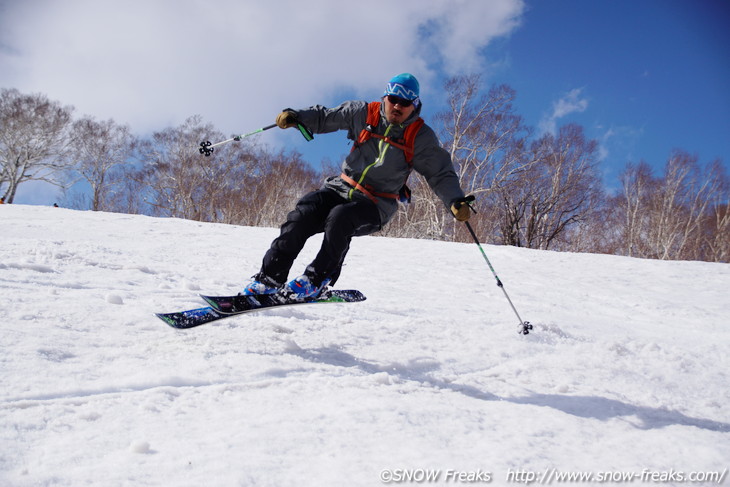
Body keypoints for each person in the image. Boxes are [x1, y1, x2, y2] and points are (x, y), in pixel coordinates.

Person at [243, 73, 472, 298]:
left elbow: (440, 173)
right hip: (340, 188)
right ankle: (269, 279)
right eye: (393, 100)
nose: (397, 107)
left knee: (342, 217)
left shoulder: (420, 136)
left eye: (405, 103)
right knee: (305, 211)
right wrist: (297, 116)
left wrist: (455, 200)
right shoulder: (363, 113)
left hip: (376, 203)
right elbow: (326, 117)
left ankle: (316, 279)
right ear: (385, 97)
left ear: (415, 105)